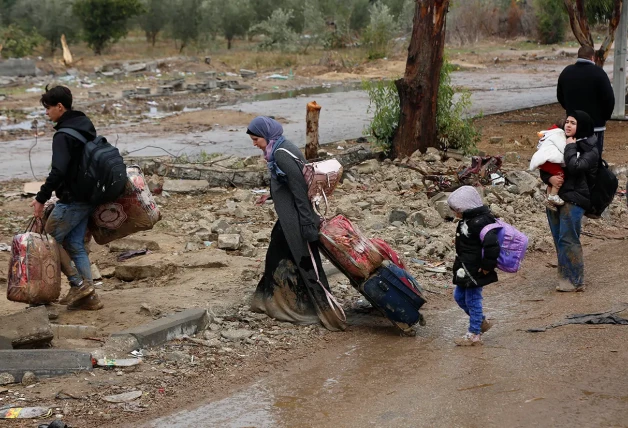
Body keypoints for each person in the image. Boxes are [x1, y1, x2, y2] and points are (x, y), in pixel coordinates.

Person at [247, 116, 345, 331]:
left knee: (304, 265)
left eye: (256, 139)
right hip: (289, 217)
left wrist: (308, 225)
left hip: (296, 220)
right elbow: (289, 185)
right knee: (277, 259)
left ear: (266, 135)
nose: (254, 144)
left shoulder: (281, 155)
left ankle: (310, 311)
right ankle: (270, 303)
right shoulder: (279, 147)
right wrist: (271, 196)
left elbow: (300, 191)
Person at [30, 85, 103, 310]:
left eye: (48, 108)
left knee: (48, 241)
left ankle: (78, 284)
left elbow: (58, 171)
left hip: (73, 199)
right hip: (89, 196)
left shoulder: (63, 135)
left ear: (60, 107)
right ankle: (90, 299)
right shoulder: (84, 126)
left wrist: (41, 198)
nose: (46, 113)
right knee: (74, 244)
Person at [541, 110, 599, 292]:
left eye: (573, 123)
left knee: (568, 239)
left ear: (581, 127)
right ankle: (564, 278)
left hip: (574, 200)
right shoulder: (557, 140)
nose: (568, 125)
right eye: (567, 122)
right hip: (554, 197)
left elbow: (574, 167)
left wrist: (570, 147)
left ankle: (576, 281)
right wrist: (549, 179)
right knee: (559, 239)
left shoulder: (591, 150)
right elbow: (544, 164)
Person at [447, 186, 500, 346]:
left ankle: (474, 334)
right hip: (466, 267)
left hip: (476, 269)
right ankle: (481, 322)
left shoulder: (481, 221)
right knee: (459, 297)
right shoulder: (470, 220)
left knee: (473, 300)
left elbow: (492, 246)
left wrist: (487, 267)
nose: (455, 213)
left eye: (456, 209)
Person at [557, 45, 614, 154]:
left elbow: (560, 96)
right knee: (594, 159)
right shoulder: (599, 73)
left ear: (578, 56)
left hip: (573, 126)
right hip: (595, 126)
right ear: (593, 58)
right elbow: (609, 99)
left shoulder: (566, 72)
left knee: (572, 156)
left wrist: (571, 111)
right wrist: (604, 117)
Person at [529, 120, 567, 211]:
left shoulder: (548, 134)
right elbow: (564, 149)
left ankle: (549, 198)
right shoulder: (559, 135)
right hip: (550, 160)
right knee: (560, 176)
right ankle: (553, 195)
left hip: (544, 161)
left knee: (554, 178)